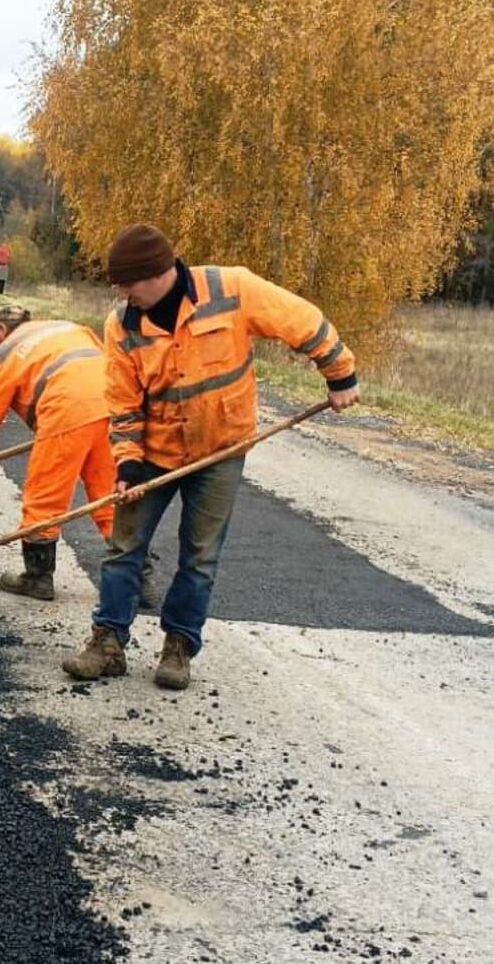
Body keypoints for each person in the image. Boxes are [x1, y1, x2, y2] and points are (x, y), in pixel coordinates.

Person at [61, 224, 360, 689]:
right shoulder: (122, 325)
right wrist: (128, 463)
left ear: (156, 274)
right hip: (155, 454)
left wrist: (339, 373)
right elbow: (121, 403)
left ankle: (178, 647)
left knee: (200, 555)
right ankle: (107, 643)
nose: (120, 293)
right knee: (124, 549)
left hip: (220, 449)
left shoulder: (230, 289)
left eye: (126, 283)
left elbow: (298, 319)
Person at [0, 303, 118, 601]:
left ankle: (37, 578)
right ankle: (136, 580)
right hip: (112, 405)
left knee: (45, 494)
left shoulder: (4, 354)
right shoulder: (70, 327)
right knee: (109, 493)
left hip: (66, 411)